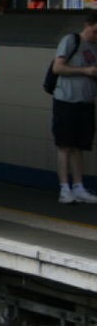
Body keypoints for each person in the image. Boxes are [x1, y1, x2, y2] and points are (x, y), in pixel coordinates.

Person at [51, 11, 97, 203]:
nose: (96, 36)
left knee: (79, 146)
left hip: (85, 102)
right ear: (87, 25)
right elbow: (58, 68)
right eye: (95, 31)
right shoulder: (71, 41)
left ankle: (78, 186)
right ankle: (64, 188)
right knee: (65, 145)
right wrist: (85, 70)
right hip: (66, 100)